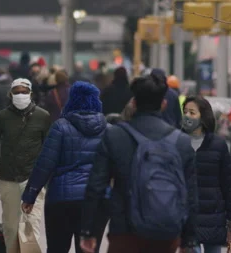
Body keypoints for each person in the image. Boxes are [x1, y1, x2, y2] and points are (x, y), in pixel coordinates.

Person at [80, 74, 198, 253]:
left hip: (125, 231)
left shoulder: (115, 135)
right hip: (167, 233)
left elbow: (96, 185)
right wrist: (188, 240)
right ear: (164, 104)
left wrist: (88, 230)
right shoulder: (181, 141)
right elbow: (191, 195)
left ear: (133, 103)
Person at [21, 81, 109, 252]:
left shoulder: (60, 127)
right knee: (88, 249)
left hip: (61, 200)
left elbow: (44, 164)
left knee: (57, 248)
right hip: (95, 201)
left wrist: (30, 195)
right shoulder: (109, 130)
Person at [0, 78, 51, 253]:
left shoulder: (43, 116)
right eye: (17, 92)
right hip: (8, 178)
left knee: (31, 224)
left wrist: (49, 175)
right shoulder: (3, 116)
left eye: (24, 92)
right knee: (11, 227)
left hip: (33, 179)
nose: (20, 95)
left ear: (31, 94)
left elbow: (49, 147)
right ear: (10, 94)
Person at [182, 96, 231, 253]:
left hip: (213, 216)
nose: (187, 116)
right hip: (187, 216)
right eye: (185, 111)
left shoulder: (218, 145)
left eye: (192, 112)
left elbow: (227, 183)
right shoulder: (178, 142)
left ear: (203, 116)